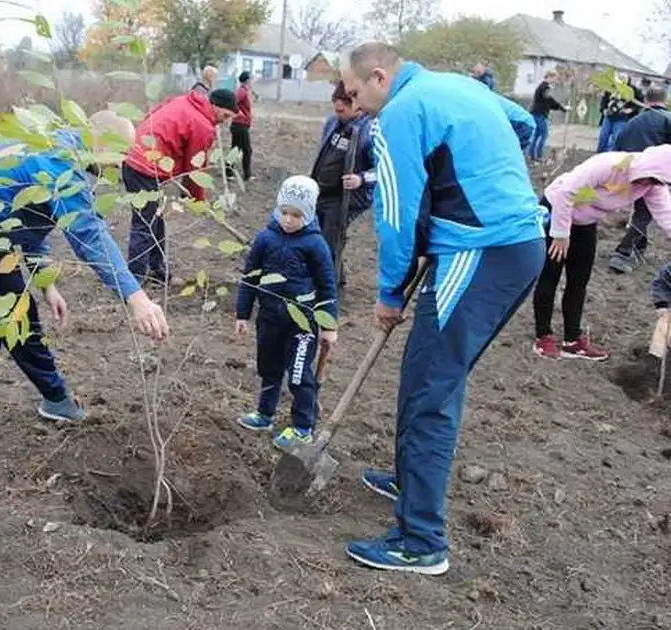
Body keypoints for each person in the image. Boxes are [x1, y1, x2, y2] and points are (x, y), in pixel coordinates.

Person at [339, 42, 546, 575]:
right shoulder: (459, 84)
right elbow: (523, 124)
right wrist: (481, 180)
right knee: (433, 375)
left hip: (479, 253)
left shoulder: (401, 114)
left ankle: (421, 540)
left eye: (357, 93)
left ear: (380, 77)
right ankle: (410, 479)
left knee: (430, 387)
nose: (356, 106)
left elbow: (396, 212)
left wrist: (390, 293)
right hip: (515, 244)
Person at [0, 111, 170, 459]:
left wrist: (47, 285)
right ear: (99, 146)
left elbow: (29, 218)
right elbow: (89, 234)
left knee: (21, 317)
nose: (120, 167)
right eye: (119, 157)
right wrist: (136, 299)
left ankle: (55, 398)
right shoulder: (58, 162)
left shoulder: (56, 143)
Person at [532, 145, 671, 361]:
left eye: (656, 181)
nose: (648, 184)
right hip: (557, 210)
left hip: (586, 220)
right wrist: (560, 233)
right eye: (649, 178)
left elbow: (667, 216)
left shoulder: (653, 186)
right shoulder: (609, 165)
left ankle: (572, 340)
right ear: (644, 166)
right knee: (550, 275)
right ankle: (543, 336)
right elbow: (566, 191)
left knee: (579, 279)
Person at [233, 176, 337, 448]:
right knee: (268, 367)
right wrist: (242, 314)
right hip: (269, 320)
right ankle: (265, 413)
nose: (289, 220)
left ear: (310, 213)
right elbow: (250, 278)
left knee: (299, 374)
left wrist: (329, 326)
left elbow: (327, 287)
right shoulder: (265, 239)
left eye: (297, 215)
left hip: (301, 325)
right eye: (285, 213)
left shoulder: (316, 245)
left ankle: (303, 426)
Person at [123, 88, 240, 283]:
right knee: (145, 223)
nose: (226, 121)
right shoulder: (203, 125)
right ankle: (133, 280)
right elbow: (195, 168)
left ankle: (157, 269)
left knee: (156, 219)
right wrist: (197, 199)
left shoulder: (184, 100)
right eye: (226, 115)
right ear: (215, 106)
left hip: (136, 158)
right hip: (143, 167)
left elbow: (151, 115)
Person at [309, 80, 376, 266]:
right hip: (321, 191)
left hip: (344, 197)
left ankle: (329, 285)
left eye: (342, 110)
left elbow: (384, 170)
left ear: (357, 106)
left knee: (329, 243)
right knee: (313, 236)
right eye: (335, 108)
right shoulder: (333, 122)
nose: (337, 114)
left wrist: (360, 179)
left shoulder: (370, 131)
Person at [608, 84, 671, 274]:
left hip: (629, 172)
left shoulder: (632, 121)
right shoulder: (666, 119)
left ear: (646, 100)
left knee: (641, 211)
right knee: (645, 214)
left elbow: (618, 144)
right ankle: (622, 253)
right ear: (665, 100)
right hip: (652, 175)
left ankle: (638, 248)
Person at [528, 70, 568, 163]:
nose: (555, 80)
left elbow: (549, 103)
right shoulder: (545, 88)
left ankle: (531, 155)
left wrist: (561, 108)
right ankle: (538, 156)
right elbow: (550, 101)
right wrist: (562, 108)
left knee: (537, 134)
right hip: (539, 114)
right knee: (544, 134)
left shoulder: (544, 87)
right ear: (549, 77)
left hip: (537, 113)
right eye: (554, 78)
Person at [229, 71, 254, 182]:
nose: (252, 80)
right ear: (247, 79)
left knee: (236, 150)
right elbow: (233, 102)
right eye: (251, 78)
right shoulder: (241, 91)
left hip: (241, 125)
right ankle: (247, 175)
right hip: (240, 125)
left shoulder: (245, 90)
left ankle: (229, 172)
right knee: (247, 150)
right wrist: (239, 114)